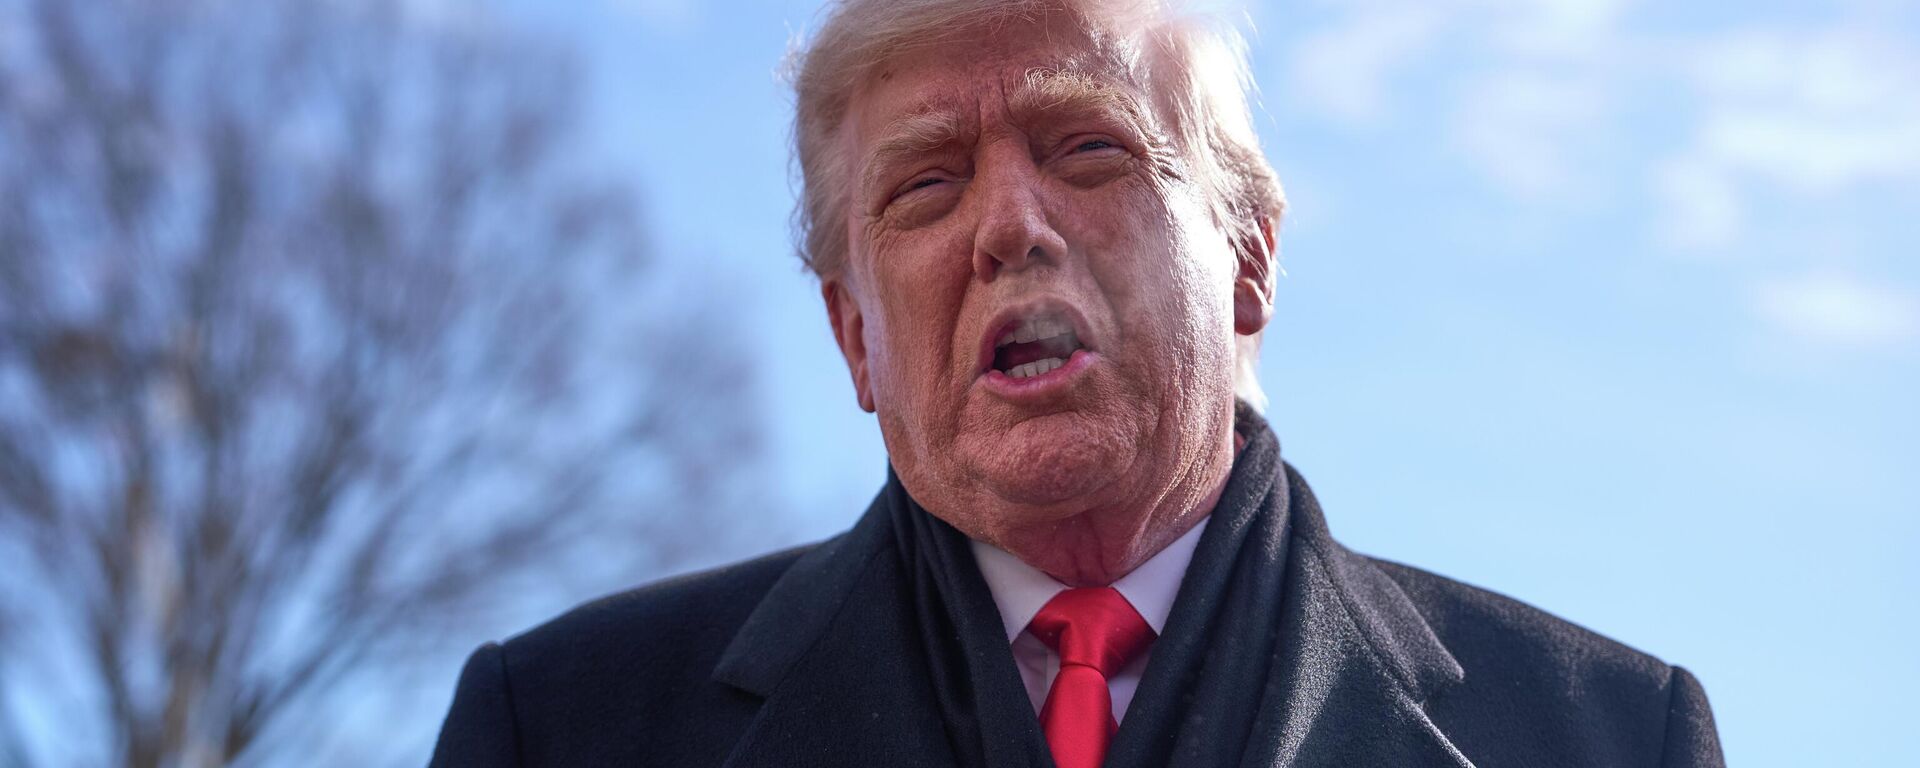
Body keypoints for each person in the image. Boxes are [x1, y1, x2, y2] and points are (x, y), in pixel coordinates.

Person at [427, 0, 1725, 765]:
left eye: (1088, 148)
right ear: (854, 340)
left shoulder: (1604, 737)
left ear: (1250, 261)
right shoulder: (561, 729)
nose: (1009, 225)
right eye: (926, 183)